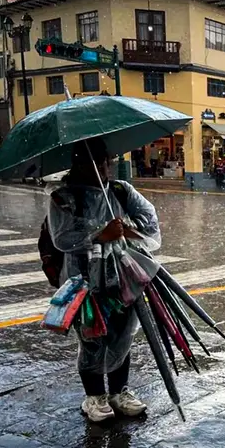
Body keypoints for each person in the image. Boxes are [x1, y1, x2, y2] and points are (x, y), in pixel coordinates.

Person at [48, 137, 160, 423]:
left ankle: (119, 391)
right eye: (96, 163)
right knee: (92, 336)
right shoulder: (64, 198)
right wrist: (98, 233)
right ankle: (94, 396)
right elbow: (62, 238)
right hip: (83, 279)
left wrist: (130, 228)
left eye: (106, 161)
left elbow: (148, 219)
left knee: (122, 333)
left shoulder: (122, 191)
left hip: (124, 275)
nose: (104, 168)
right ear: (79, 165)